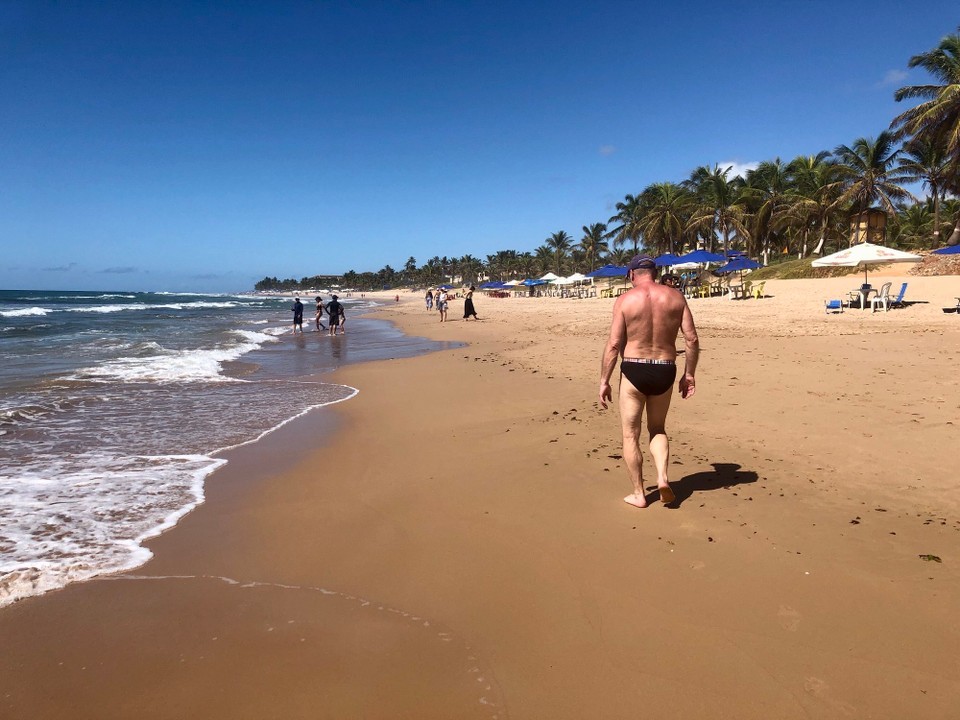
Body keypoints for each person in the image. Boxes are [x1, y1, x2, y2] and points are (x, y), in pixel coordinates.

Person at [598, 254, 699, 508]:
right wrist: (689, 374)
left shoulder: (625, 300)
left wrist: (604, 380)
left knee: (630, 435)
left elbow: (613, 344)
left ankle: (639, 493)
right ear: (655, 272)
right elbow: (692, 340)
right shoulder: (676, 297)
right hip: (666, 368)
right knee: (658, 429)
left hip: (634, 369)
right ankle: (663, 478)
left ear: (632, 274)